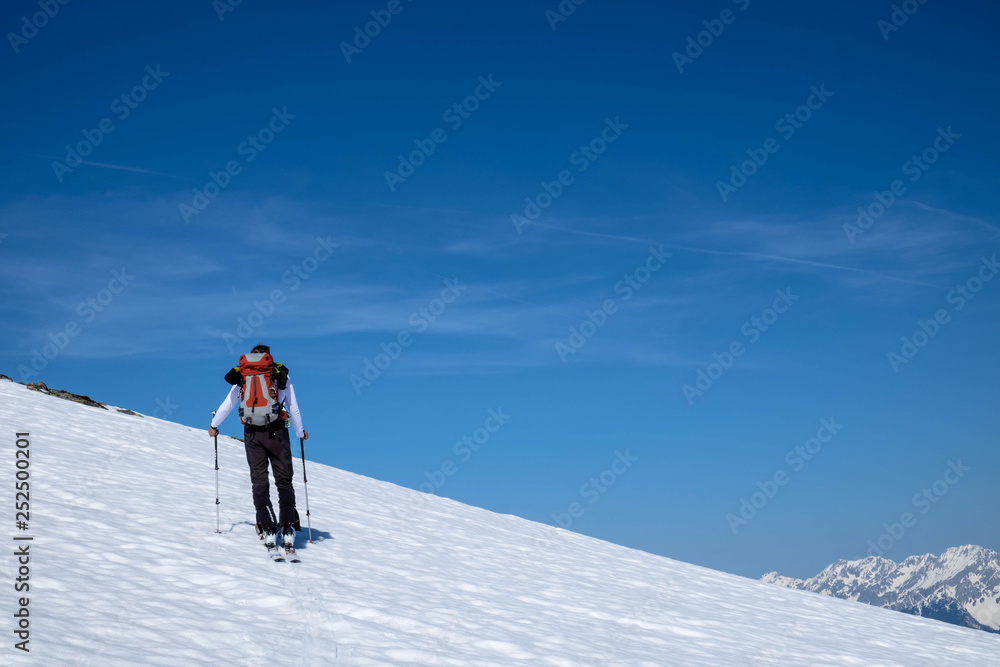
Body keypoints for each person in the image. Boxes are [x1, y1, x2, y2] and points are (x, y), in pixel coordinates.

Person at [208, 344, 308, 553]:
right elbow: (294, 408)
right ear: (268, 357)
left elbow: (228, 404)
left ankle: (268, 527)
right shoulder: (278, 374)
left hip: (253, 434)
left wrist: (214, 426)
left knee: (259, 481)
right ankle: (288, 528)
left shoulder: (244, 376)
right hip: (278, 433)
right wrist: (300, 433)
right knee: (284, 480)